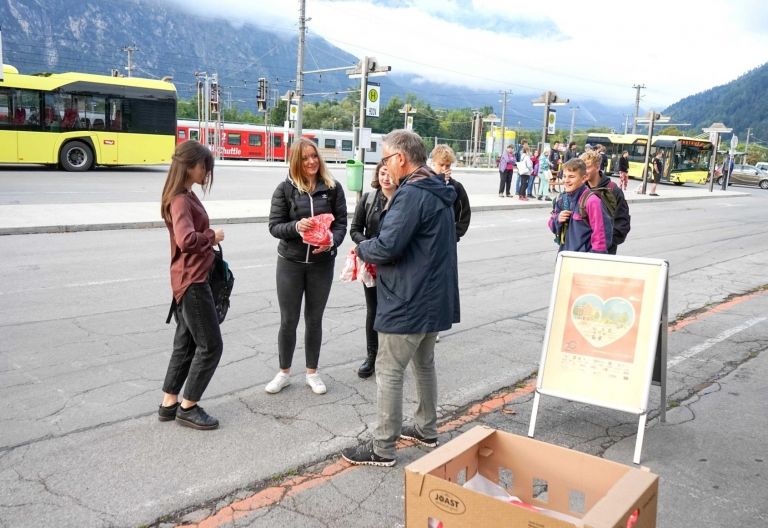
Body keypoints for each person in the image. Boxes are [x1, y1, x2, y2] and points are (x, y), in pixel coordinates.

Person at [341, 129, 460, 467]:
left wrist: (362, 247)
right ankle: (426, 429)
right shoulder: (438, 188)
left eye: (385, 158)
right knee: (424, 364)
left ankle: (383, 447)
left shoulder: (412, 194)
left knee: (389, 369)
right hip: (435, 296)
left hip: (409, 297)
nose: (384, 165)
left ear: (400, 159)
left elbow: (387, 245)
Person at [266, 138, 348, 395]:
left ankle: (312, 373)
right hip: (290, 263)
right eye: (305, 158)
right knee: (288, 320)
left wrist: (332, 241)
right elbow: (274, 226)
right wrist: (296, 226)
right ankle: (284, 373)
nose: (311, 161)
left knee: (314, 319)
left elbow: (342, 223)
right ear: (296, 162)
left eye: (314, 156)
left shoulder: (333, 188)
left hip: (321, 264)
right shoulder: (285, 190)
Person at [158, 140, 224, 430]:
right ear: (190, 165)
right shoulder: (182, 199)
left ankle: (169, 401)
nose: (206, 173)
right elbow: (186, 240)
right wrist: (212, 236)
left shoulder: (180, 194)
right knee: (211, 346)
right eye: (204, 167)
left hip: (185, 279)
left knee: (185, 344)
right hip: (193, 281)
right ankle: (189, 406)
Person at [349, 161, 396, 379]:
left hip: (397, 265)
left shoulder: (404, 199)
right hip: (372, 264)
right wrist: (367, 246)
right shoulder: (368, 199)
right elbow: (355, 229)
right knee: (373, 310)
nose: (386, 177)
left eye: (390, 173)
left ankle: (393, 358)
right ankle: (372, 356)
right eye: (382, 173)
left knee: (394, 311)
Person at [548, 158, 612, 254]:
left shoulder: (592, 201)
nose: (566, 180)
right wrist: (558, 219)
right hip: (565, 257)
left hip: (584, 261)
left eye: (571, 177)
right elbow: (552, 225)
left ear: (584, 178)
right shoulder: (561, 198)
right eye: (564, 176)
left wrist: (593, 260)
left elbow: (601, 237)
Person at [581, 150, 631, 255]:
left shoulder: (612, 190)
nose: (584, 172)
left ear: (598, 167)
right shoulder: (580, 190)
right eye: (582, 168)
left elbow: (623, 223)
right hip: (581, 249)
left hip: (605, 252)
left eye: (588, 167)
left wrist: (605, 242)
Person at [431, 144, 471, 241]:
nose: (444, 169)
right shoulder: (426, 184)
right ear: (433, 163)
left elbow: (464, 214)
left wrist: (454, 234)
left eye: (448, 165)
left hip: (448, 241)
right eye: (441, 165)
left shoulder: (457, 187)